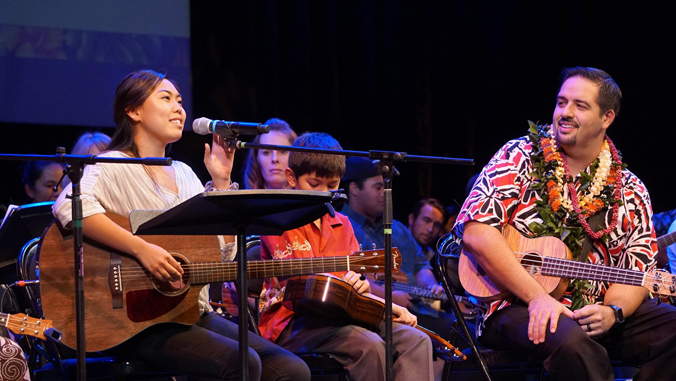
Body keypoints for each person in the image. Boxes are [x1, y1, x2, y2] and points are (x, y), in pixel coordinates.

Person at [52, 69, 310, 381]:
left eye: (180, 100)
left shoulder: (185, 173)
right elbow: (69, 205)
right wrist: (143, 251)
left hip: (188, 311)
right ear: (132, 111)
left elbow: (222, 254)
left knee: (291, 369)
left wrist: (222, 181)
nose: (179, 108)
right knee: (244, 363)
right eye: (166, 98)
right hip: (133, 320)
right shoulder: (110, 165)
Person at [454, 66, 676, 380]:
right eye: (561, 102)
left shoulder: (631, 189)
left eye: (580, 105)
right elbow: (477, 234)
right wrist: (538, 297)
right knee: (574, 343)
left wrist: (612, 313)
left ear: (607, 118)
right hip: (512, 305)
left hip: (594, 310)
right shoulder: (519, 157)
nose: (565, 113)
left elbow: (635, 271)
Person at [258, 132, 433, 381]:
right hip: (294, 323)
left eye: (331, 185)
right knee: (370, 346)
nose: (324, 193)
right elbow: (311, 287)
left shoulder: (343, 224)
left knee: (416, 340)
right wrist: (388, 306)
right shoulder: (276, 222)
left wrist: (361, 286)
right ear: (291, 178)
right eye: (314, 184)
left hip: (344, 316)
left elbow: (353, 284)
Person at [243, 118, 297, 190]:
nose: (274, 159)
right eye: (266, 152)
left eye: (283, 152)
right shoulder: (245, 200)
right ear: (257, 159)